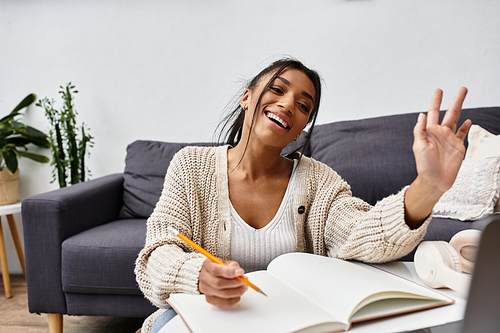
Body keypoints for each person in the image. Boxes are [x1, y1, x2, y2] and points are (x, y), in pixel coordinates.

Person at [135, 58, 471, 333]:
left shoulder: (318, 181)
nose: (286, 104)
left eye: (302, 105)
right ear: (247, 97)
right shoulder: (191, 165)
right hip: (212, 319)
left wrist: (428, 186)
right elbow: (158, 253)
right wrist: (198, 275)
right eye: (277, 90)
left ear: (300, 130)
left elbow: (361, 233)